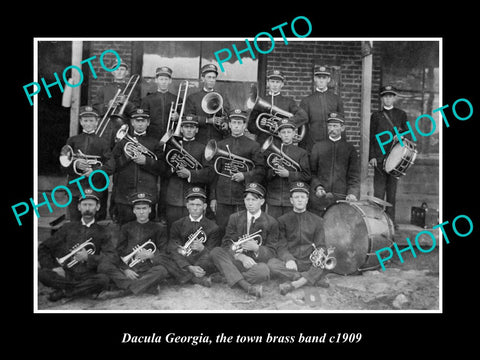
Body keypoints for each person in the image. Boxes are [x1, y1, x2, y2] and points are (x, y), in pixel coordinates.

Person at [98, 192, 193, 297]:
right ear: (134, 211)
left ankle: (124, 292)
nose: (141, 212)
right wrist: (125, 269)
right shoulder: (126, 227)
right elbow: (119, 251)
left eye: (144, 208)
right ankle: (147, 286)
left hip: (148, 268)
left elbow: (164, 252)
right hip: (130, 268)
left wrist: (151, 255)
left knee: (161, 270)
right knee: (104, 266)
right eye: (138, 209)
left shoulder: (158, 228)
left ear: (150, 210)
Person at [38, 188, 115, 302]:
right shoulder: (67, 228)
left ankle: (65, 292)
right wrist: (54, 267)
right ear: (79, 207)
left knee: (103, 279)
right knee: (42, 274)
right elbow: (44, 248)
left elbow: (111, 257)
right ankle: (80, 290)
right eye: (84, 205)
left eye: (91, 205)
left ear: (97, 207)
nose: (87, 209)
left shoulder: (103, 231)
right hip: (66, 273)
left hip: (89, 274)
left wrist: (89, 258)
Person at [209, 183, 279, 298]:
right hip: (235, 260)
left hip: (254, 264)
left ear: (262, 201)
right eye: (247, 199)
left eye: (254, 199)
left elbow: (272, 252)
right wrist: (240, 257)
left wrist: (257, 248)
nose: (250, 203)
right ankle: (246, 286)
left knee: (264, 271)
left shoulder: (271, 222)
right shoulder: (234, 218)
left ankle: (227, 277)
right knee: (216, 251)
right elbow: (226, 244)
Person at [208, 109, 266, 236]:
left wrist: (244, 175)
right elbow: (214, 175)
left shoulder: (253, 146)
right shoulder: (220, 145)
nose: (236, 126)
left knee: (241, 229)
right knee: (221, 229)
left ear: (244, 126)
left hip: (242, 196)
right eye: (234, 122)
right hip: (222, 195)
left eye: (240, 123)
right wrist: (213, 198)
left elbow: (261, 170)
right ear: (229, 124)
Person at [267, 182, 331, 295]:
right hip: (292, 263)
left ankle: (295, 283)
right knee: (271, 264)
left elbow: (321, 246)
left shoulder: (317, 221)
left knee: (323, 260)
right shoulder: (282, 220)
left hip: (309, 261)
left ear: (307, 200)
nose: (300, 200)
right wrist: (289, 259)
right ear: (291, 200)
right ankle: (311, 279)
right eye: (296, 197)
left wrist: (319, 258)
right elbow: (281, 245)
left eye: (303, 197)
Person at [102, 108, 163, 225]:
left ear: (148, 123)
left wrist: (147, 161)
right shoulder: (122, 143)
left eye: (143, 121)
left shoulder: (155, 143)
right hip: (125, 197)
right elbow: (112, 166)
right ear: (132, 122)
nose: (140, 124)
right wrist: (125, 157)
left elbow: (163, 168)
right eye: (137, 121)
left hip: (147, 196)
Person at [61, 105, 111, 221]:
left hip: (96, 187)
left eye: (91, 121)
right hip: (75, 188)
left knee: (96, 222)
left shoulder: (103, 142)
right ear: (80, 122)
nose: (88, 124)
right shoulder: (72, 140)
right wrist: (76, 165)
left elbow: (111, 165)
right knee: (75, 220)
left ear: (97, 122)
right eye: (85, 120)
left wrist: (94, 171)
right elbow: (63, 166)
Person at [369, 85, 410, 226]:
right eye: (385, 96)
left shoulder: (401, 114)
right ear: (382, 98)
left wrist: (401, 137)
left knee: (392, 193)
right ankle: (378, 222)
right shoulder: (375, 116)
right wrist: (372, 156)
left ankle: (391, 222)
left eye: (391, 96)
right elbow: (372, 138)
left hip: (395, 159)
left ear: (394, 98)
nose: (388, 99)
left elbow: (409, 132)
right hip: (380, 159)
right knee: (378, 193)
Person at [163, 116, 213, 229]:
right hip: (173, 198)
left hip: (193, 199)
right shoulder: (171, 146)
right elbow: (161, 170)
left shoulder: (203, 148)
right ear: (181, 129)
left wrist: (190, 174)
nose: (189, 130)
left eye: (192, 127)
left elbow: (209, 173)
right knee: (172, 231)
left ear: (197, 130)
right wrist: (172, 168)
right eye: (186, 127)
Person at [309, 112, 360, 216]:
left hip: (341, 199)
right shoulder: (318, 147)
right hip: (320, 199)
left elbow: (354, 176)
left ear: (342, 128)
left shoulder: (350, 149)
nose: (332, 129)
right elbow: (311, 172)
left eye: (335, 126)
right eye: (330, 126)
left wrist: (352, 193)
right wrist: (317, 187)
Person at [168, 187, 221, 287]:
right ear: (187, 205)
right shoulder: (177, 224)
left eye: (198, 205)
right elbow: (173, 248)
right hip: (183, 259)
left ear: (204, 206)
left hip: (201, 260)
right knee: (164, 258)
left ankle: (181, 275)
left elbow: (213, 253)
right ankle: (195, 278)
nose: (195, 208)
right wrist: (189, 267)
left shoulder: (213, 227)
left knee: (209, 260)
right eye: (192, 204)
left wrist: (203, 249)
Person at [262, 118, 311, 219]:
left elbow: (307, 176)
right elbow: (265, 175)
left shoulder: (301, 153)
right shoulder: (272, 152)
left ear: (294, 133)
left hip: (291, 200)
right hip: (273, 199)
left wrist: (289, 174)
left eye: (289, 132)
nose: (286, 135)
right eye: (283, 132)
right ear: (279, 134)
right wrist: (274, 171)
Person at [248, 69, 308, 145]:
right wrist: (260, 124)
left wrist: (283, 123)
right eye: (272, 82)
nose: (275, 85)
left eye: (278, 82)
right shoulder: (260, 101)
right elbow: (250, 127)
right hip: (262, 143)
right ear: (268, 83)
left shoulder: (289, 102)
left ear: (282, 84)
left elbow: (303, 116)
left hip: (282, 144)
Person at [92, 60, 140, 148]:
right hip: (107, 127)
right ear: (112, 72)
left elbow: (137, 112)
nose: (119, 72)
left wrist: (126, 103)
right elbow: (95, 108)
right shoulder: (103, 89)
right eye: (117, 69)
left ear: (126, 72)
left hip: (125, 127)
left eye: (122, 69)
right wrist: (107, 105)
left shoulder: (133, 90)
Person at [299, 65, 344, 150]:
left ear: (328, 80)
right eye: (319, 78)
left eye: (324, 78)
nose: (321, 80)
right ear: (315, 79)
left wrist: (341, 144)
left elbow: (341, 123)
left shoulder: (336, 99)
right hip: (313, 144)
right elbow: (303, 125)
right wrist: (303, 147)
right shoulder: (306, 101)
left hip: (332, 143)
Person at [184, 63, 231, 144]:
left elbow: (228, 114)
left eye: (214, 78)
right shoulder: (193, 98)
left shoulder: (222, 97)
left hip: (217, 139)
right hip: (198, 140)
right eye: (209, 77)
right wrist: (207, 120)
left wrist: (225, 123)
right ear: (203, 78)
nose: (212, 80)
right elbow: (188, 117)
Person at [141, 66, 180, 141]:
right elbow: (143, 118)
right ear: (156, 80)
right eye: (161, 79)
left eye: (166, 79)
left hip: (171, 136)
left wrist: (178, 117)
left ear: (170, 81)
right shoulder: (147, 99)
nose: (164, 82)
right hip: (151, 136)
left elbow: (184, 117)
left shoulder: (177, 99)